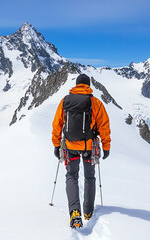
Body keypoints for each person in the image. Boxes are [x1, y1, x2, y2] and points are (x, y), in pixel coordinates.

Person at [52, 73, 111, 228]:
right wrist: (106, 146)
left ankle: (75, 213)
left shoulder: (65, 101)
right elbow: (104, 127)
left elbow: (57, 124)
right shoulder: (95, 102)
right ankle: (88, 212)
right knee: (89, 178)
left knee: (71, 176)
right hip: (89, 148)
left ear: (76, 85)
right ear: (88, 86)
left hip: (70, 146)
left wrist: (56, 145)